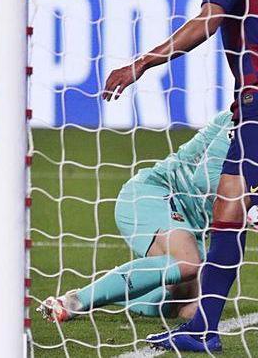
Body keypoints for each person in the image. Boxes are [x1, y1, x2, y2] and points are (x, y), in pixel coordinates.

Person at [104, 0, 258, 352]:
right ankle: (204, 328)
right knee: (228, 211)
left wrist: (142, 63)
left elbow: (207, 21)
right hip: (247, 105)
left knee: (235, 208)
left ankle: (203, 326)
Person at [41, 111, 233, 322]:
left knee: (192, 308)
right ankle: (75, 302)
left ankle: (115, 290)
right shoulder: (243, 118)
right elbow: (206, 178)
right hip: (155, 194)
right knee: (188, 263)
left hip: (192, 223)